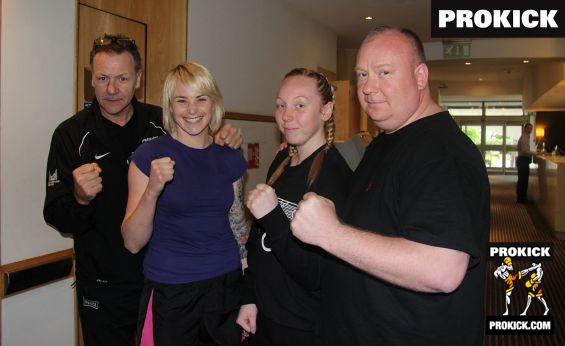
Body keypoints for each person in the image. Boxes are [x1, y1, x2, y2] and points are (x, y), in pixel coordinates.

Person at [289, 26, 490, 345]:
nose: (369, 87)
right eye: (362, 75)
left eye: (384, 72)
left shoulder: (442, 152)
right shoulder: (387, 141)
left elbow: (442, 269)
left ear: (420, 77)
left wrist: (331, 234)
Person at [43, 35, 242, 346]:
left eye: (122, 78)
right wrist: (81, 199)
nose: (112, 88)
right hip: (104, 281)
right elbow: (55, 214)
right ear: (91, 81)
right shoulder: (71, 134)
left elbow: (198, 140)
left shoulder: (161, 122)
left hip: (164, 276)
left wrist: (223, 135)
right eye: (102, 78)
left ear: (137, 79)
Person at [121, 61, 247, 345]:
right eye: (182, 100)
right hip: (171, 291)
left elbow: (238, 226)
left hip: (225, 287)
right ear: (170, 106)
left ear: (213, 103)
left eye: (201, 99)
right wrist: (152, 190)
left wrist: (248, 292)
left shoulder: (230, 158)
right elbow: (132, 242)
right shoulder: (147, 156)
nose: (192, 110)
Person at [236, 68, 353, 345]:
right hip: (265, 317)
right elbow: (258, 240)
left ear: (326, 111)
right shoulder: (282, 162)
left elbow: (315, 273)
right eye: (281, 105)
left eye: (300, 105)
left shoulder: (334, 177)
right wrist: (249, 297)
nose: (287, 115)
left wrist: (274, 215)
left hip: (303, 327)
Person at [516, 122, 536, 203]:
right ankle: (522, 198)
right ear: (525, 129)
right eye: (528, 128)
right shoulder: (524, 138)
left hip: (522, 160)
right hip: (523, 160)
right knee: (523, 180)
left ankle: (520, 197)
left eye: (531, 129)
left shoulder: (526, 137)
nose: (530, 130)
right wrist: (534, 153)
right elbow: (524, 151)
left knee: (522, 179)